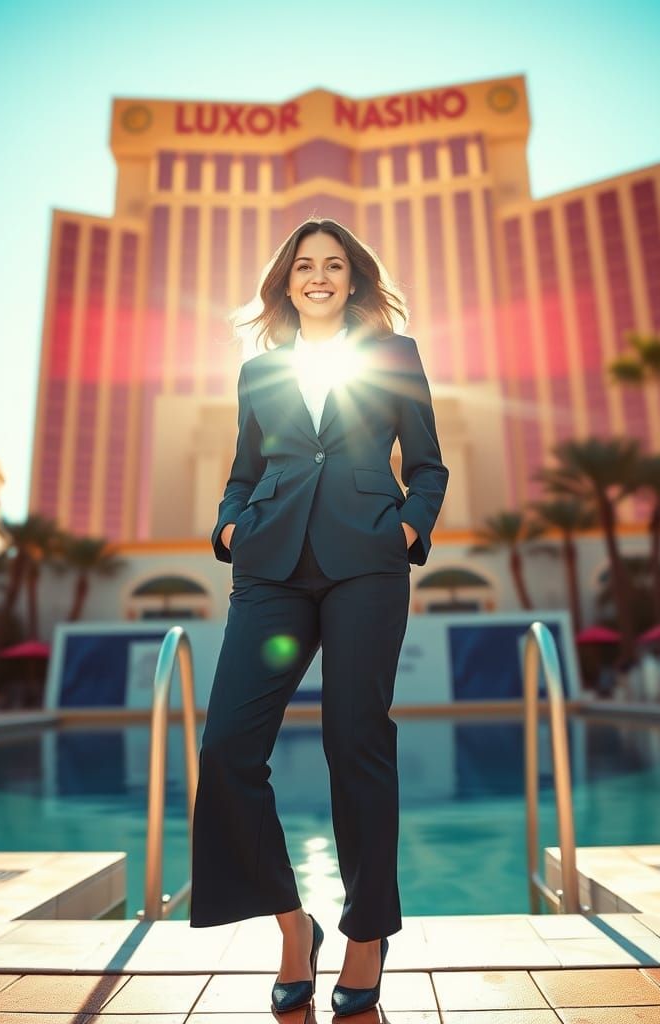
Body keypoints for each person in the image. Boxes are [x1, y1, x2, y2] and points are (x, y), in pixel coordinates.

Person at [189, 217, 448, 1016]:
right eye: (306, 265)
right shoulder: (258, 370)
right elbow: (243, 468)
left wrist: (408, 525)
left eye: (335, 264)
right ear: (287, 280)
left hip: (367, 562)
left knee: (355, 740)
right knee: (228, 749)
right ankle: (292, 924)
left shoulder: (395, 356)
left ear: (355, 279)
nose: (320, 275)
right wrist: (229, 524)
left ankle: (366, 936)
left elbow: (429, 463)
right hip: (270, 564)